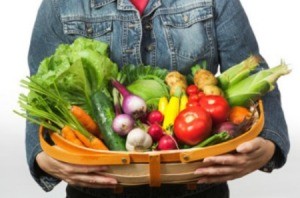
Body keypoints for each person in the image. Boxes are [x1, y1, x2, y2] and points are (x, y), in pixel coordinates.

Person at [26, 0, 290, 197]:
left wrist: (269, 143)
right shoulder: (62, 4)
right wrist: (41, 156)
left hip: (196, 186)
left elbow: (254, 73)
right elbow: (41, 89)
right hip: (97, 188)